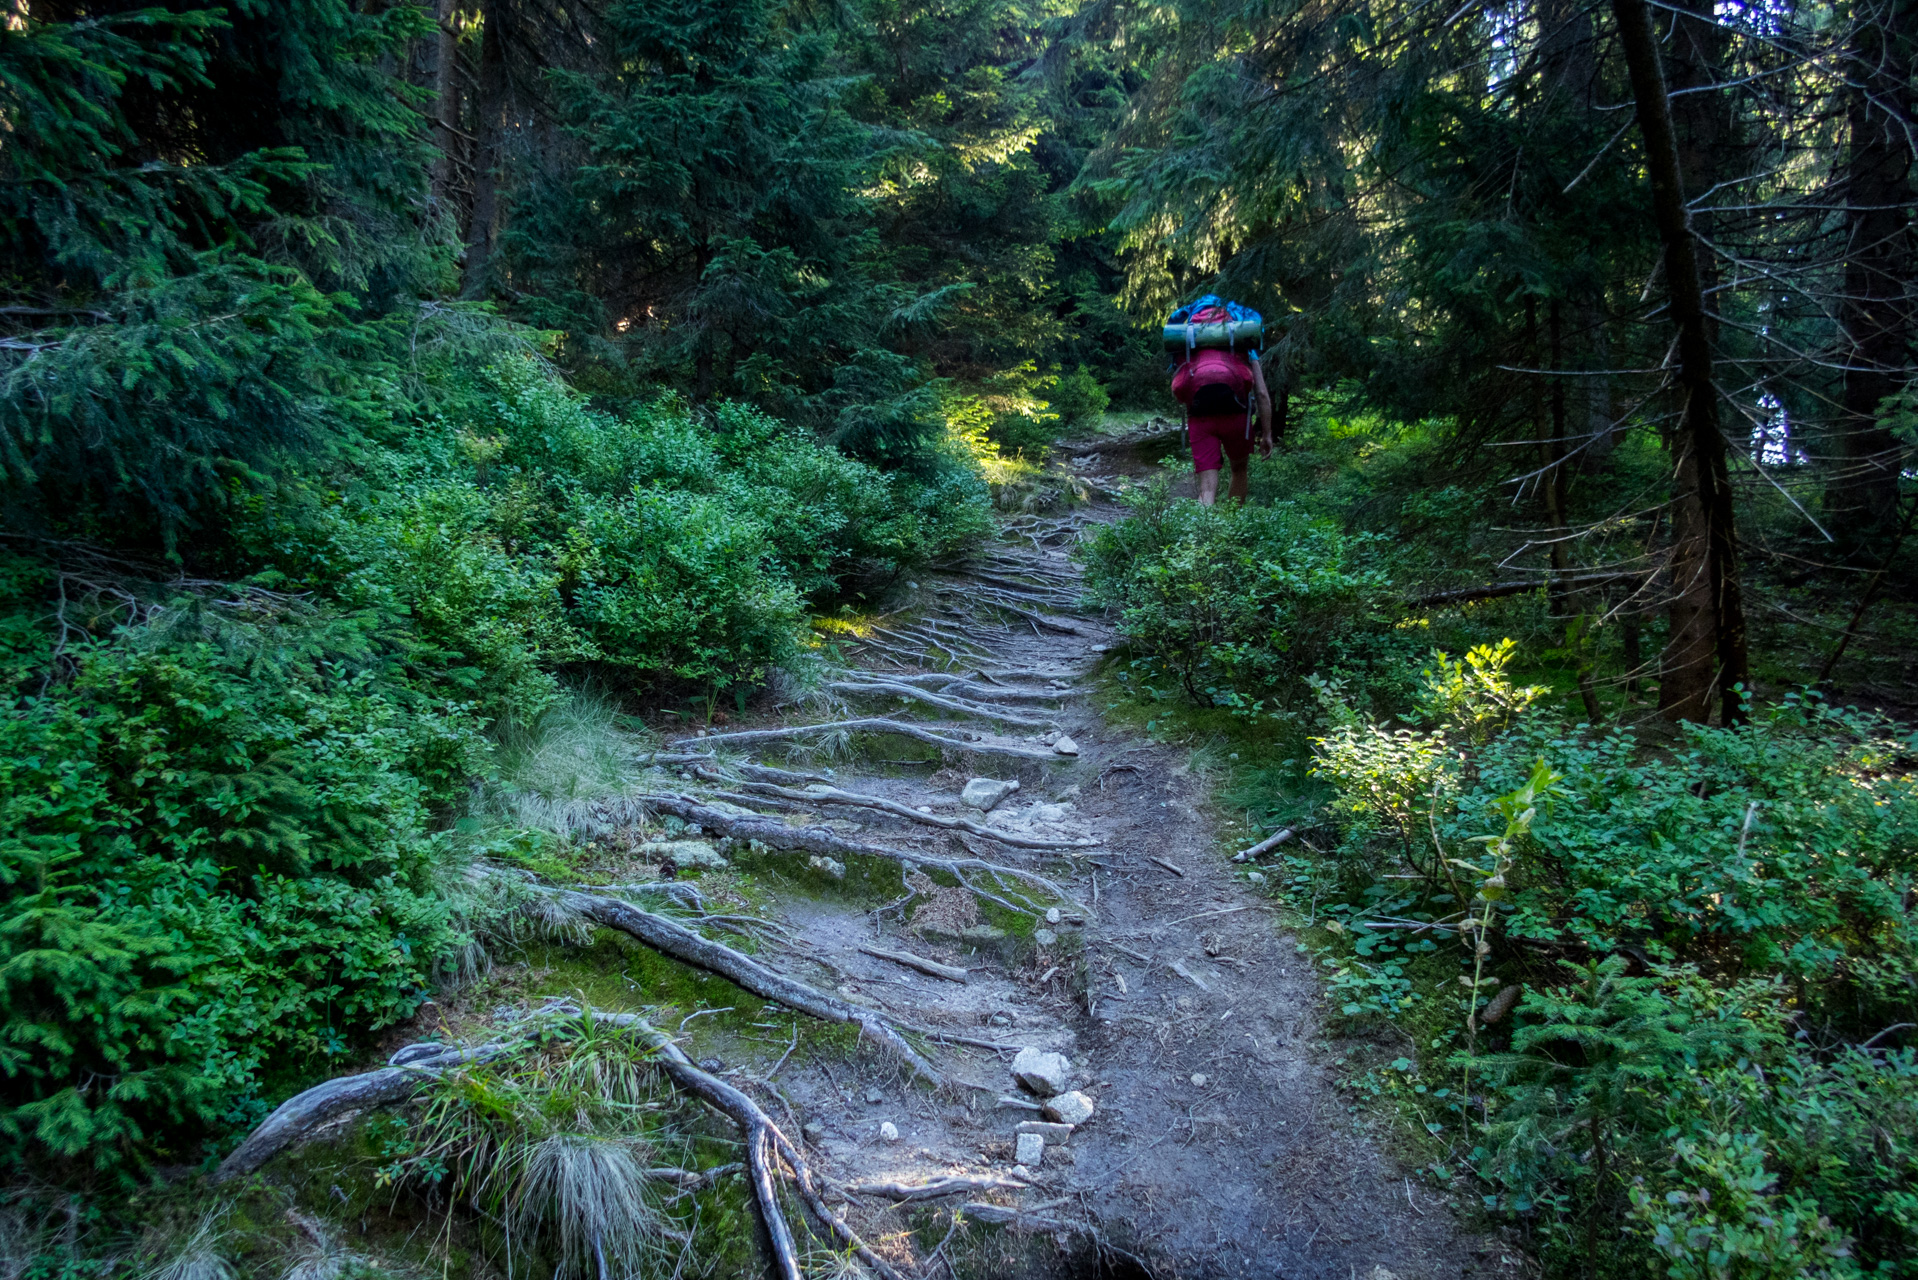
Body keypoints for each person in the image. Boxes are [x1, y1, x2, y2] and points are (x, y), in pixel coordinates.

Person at [1188, 350, 1274, 506]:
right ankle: (1231, 524)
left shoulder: (1194, 343)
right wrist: (1267, 434)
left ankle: (1202, 529)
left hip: (1200, 417)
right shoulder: (1244, 343)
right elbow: (1261, 393)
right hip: (1237, 416)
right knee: (1239, 470)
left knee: (1206, 488)